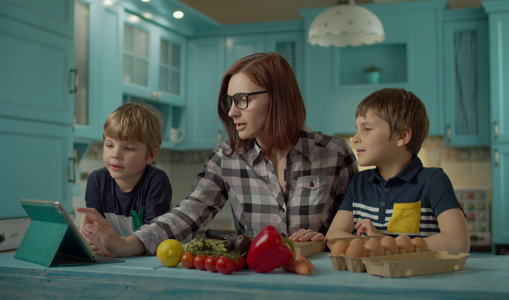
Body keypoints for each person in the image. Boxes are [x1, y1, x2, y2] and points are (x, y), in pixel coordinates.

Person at [77, 52, 358, 257]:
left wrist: (326, 239)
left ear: (278, 97)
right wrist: (128, 244)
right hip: (253, 281)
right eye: (229, 101)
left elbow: (356, 230)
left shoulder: (334, 154)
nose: (232, 111)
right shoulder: (227, 157)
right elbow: (188, 213)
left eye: (242, 100)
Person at [290, 88, 470, 254]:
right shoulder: (359, 182)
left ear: (402, 136)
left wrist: (385, 243)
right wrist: (374, 244)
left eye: (367, 129)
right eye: (357, 129)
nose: (355, 138)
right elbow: (334, 235)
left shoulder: (433, 181)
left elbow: (458, 241)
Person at [82, 102, 172, 238]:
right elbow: (96, 231)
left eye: (128, 148)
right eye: (109, 145)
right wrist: (89, 238)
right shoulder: (96, 181)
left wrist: (113, 244)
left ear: (150, 155)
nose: (115, 154)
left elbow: (154, 237)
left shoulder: (156, 181)